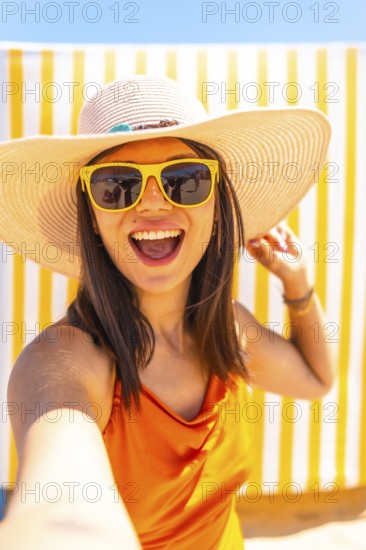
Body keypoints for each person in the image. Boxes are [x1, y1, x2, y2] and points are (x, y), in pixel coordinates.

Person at [0, 75, 336, 549]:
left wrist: (298, 287)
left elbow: (316, 380)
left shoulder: (228, 329)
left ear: (217, 206)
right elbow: (61, 503)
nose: (153, 203)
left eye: (186, 180)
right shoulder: (67, 360)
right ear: (91, 219)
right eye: (117, 185)